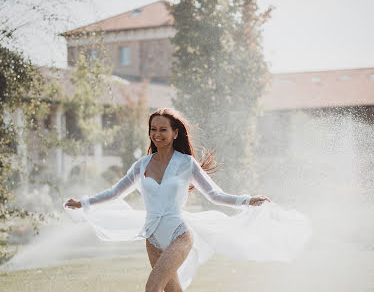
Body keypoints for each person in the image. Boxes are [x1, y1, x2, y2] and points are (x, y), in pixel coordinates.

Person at [64, 108, 311, 292]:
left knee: (152, 288)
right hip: (151, 238)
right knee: (173, 291)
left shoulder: (186, 163)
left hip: (179, 235)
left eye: (163, 129)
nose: (157, 134)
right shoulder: (141, 166)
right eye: (153, 129)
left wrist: (248, 200)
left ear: (175, 133)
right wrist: (83, 204)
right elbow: (114, 192)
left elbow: (215, 195)